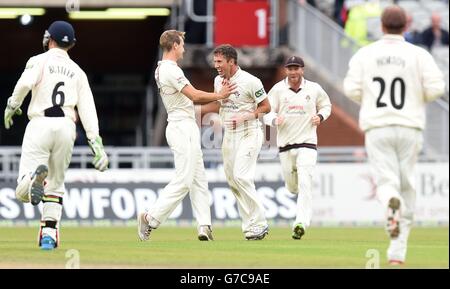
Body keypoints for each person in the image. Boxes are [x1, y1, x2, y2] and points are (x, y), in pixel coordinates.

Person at [343, 5, 445, 265]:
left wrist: (370, 100)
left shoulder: (366, 54)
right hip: (409, 125)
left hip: (378, 125)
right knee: (408, 185)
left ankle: (390, 202)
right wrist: (416, 97)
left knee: (386, 181)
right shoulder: (418, 55)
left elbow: (350, 88)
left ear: (382, 25)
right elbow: (436, 87)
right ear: (406, 26)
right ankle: (397, 254)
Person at [3, 21, 109, 250]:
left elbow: (24, 84)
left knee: (23, 188)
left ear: (49, 39)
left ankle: (32, 181)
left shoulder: (38, 61)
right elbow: (88, 109)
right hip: (66, 127)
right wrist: (96, 142)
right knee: (56, 185)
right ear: (70, 44)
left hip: (40, 124)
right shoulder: (78, 71)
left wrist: (13, 104)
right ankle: (48, 237)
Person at [137, 30, 236, 242]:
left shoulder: (165, 69)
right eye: (182, 44)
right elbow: (194, 95)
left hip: (185, 124)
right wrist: (219, 95)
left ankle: (204, 226)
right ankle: (150, 217)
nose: (184, 48)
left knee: (199, 178)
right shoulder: (170, 70)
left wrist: (218, 103)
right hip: (181, 127)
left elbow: (191, 104)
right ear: (174, 45)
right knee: (184, 179)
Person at [200, 44, 271, 240]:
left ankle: (261, 222)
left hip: (249, 132)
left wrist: (248, 116)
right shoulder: (217, 81)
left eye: (220, 62)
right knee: (233, 181)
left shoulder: (250, 81)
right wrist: (197, 111)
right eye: (215, 62)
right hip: (229, 135)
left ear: (232, 61)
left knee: (241, 176)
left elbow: (266, 106)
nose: (216, 65)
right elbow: (219, 103)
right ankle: (249, 227)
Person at [263, 56, 331, 240]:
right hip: (285, 144)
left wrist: (320, 116)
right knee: (293, 187)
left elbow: (326, 105)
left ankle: (300, 223)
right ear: (286, 70)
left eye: (296, 68)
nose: (293, 72)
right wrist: (274, 120)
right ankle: (295, 193)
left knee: (305, 182)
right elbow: (266, 112)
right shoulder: (278, 89)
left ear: (302, 70)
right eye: (290, 69)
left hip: (307, 143)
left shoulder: (314, 88)